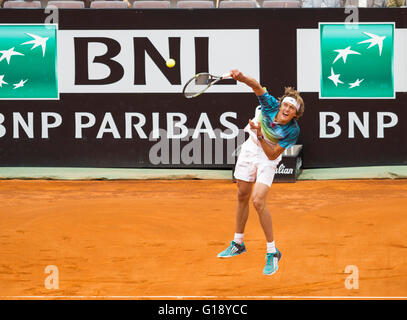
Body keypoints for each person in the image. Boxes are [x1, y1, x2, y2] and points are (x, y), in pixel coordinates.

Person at [217, 69, 305, 276]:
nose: (287, 109)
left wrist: (261, 134)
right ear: (281, 103)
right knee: (242, 195)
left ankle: (272, 251)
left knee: (258, 201)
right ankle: (238, 243)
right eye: (286, 104)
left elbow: (273, 155)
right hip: (250, 148)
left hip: (268, 156)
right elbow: (256, 86)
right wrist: (241, 78)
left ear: (295, 114)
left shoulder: (292, 131)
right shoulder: (270, 105)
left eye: (292, 108)